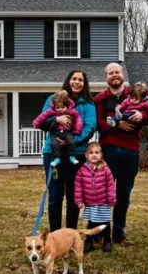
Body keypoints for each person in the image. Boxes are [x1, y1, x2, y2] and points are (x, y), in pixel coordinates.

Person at [94, 63, 148, 246]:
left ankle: (119, 234)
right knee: (104, 192)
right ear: (106, 77)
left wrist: (142, 117)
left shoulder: (136, 94)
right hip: (108, 149)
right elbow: (98, 122)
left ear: (123, 75)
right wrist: (116, 124)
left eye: (117, 72)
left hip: (131, 149)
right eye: (110, 73)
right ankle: (101, 234)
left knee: (124, 192)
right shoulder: (100, 98)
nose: (114, 75)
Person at [34, 69, 96, 232]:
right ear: (68, 81)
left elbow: (90, 127)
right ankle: (55, 235)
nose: (77, 82)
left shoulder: (88, 104)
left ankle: (70, 234)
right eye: (74, 79)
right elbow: (42, 122)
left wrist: (70, 142)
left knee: (73, 197)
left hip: (76, 156)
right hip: (53, 154)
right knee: (55, 196)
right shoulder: (53, 99)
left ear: (84, 84)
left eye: (80, 80)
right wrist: (57, 119)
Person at [74, 142, 116, 253]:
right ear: (86, 155)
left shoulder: (105, 169)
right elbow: (78, 186)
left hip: (103, 202)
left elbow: (111, 185)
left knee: (105, 222)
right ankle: (89, 241)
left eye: (96, 152)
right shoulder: (82, 170)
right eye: (91, 152)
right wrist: (79, 200)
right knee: (91, 223)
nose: (94, 155)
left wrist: (111, 199)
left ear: (101, 155)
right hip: (90, 203)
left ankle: (107, 240)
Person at [32, 90, 82, 167]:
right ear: (54, 106)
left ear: (67, 105)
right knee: (54, 144)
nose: (60, 109)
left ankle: (72, 156)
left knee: (71, 142)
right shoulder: (51, 111)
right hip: (55, 132)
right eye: (57, 107)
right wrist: (36, 123)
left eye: (62, 107)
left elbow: (78, 119)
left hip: (67, 132)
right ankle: (57, 158)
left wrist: (77, 129)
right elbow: (42, 117)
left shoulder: (72, 111)